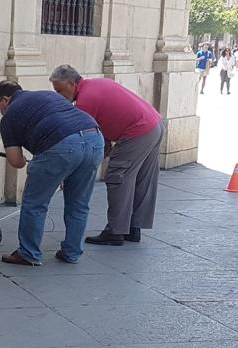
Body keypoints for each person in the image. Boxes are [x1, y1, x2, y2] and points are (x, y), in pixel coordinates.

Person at [50, 65, 163, 246]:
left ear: (71, 84)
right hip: (154, 124)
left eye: (59, 90)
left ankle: (116, 231)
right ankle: (134, 227)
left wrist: (70, 171)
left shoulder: (85, 102)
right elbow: (102, 132)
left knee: (118, 177)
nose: (59, 96)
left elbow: (84, 141)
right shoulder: (98, 83)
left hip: (137, 131)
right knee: (142, 179)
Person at [0, 80, 104, 265]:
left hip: (60, 145)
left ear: (5, 100)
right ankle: (72, 252)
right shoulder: (47, 95)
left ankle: (29, 254)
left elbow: (16, 162)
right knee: (79, 203)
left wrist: (36, 162)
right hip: (94, 138)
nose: (0, 110)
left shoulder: (9, 117)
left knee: (34, 203)